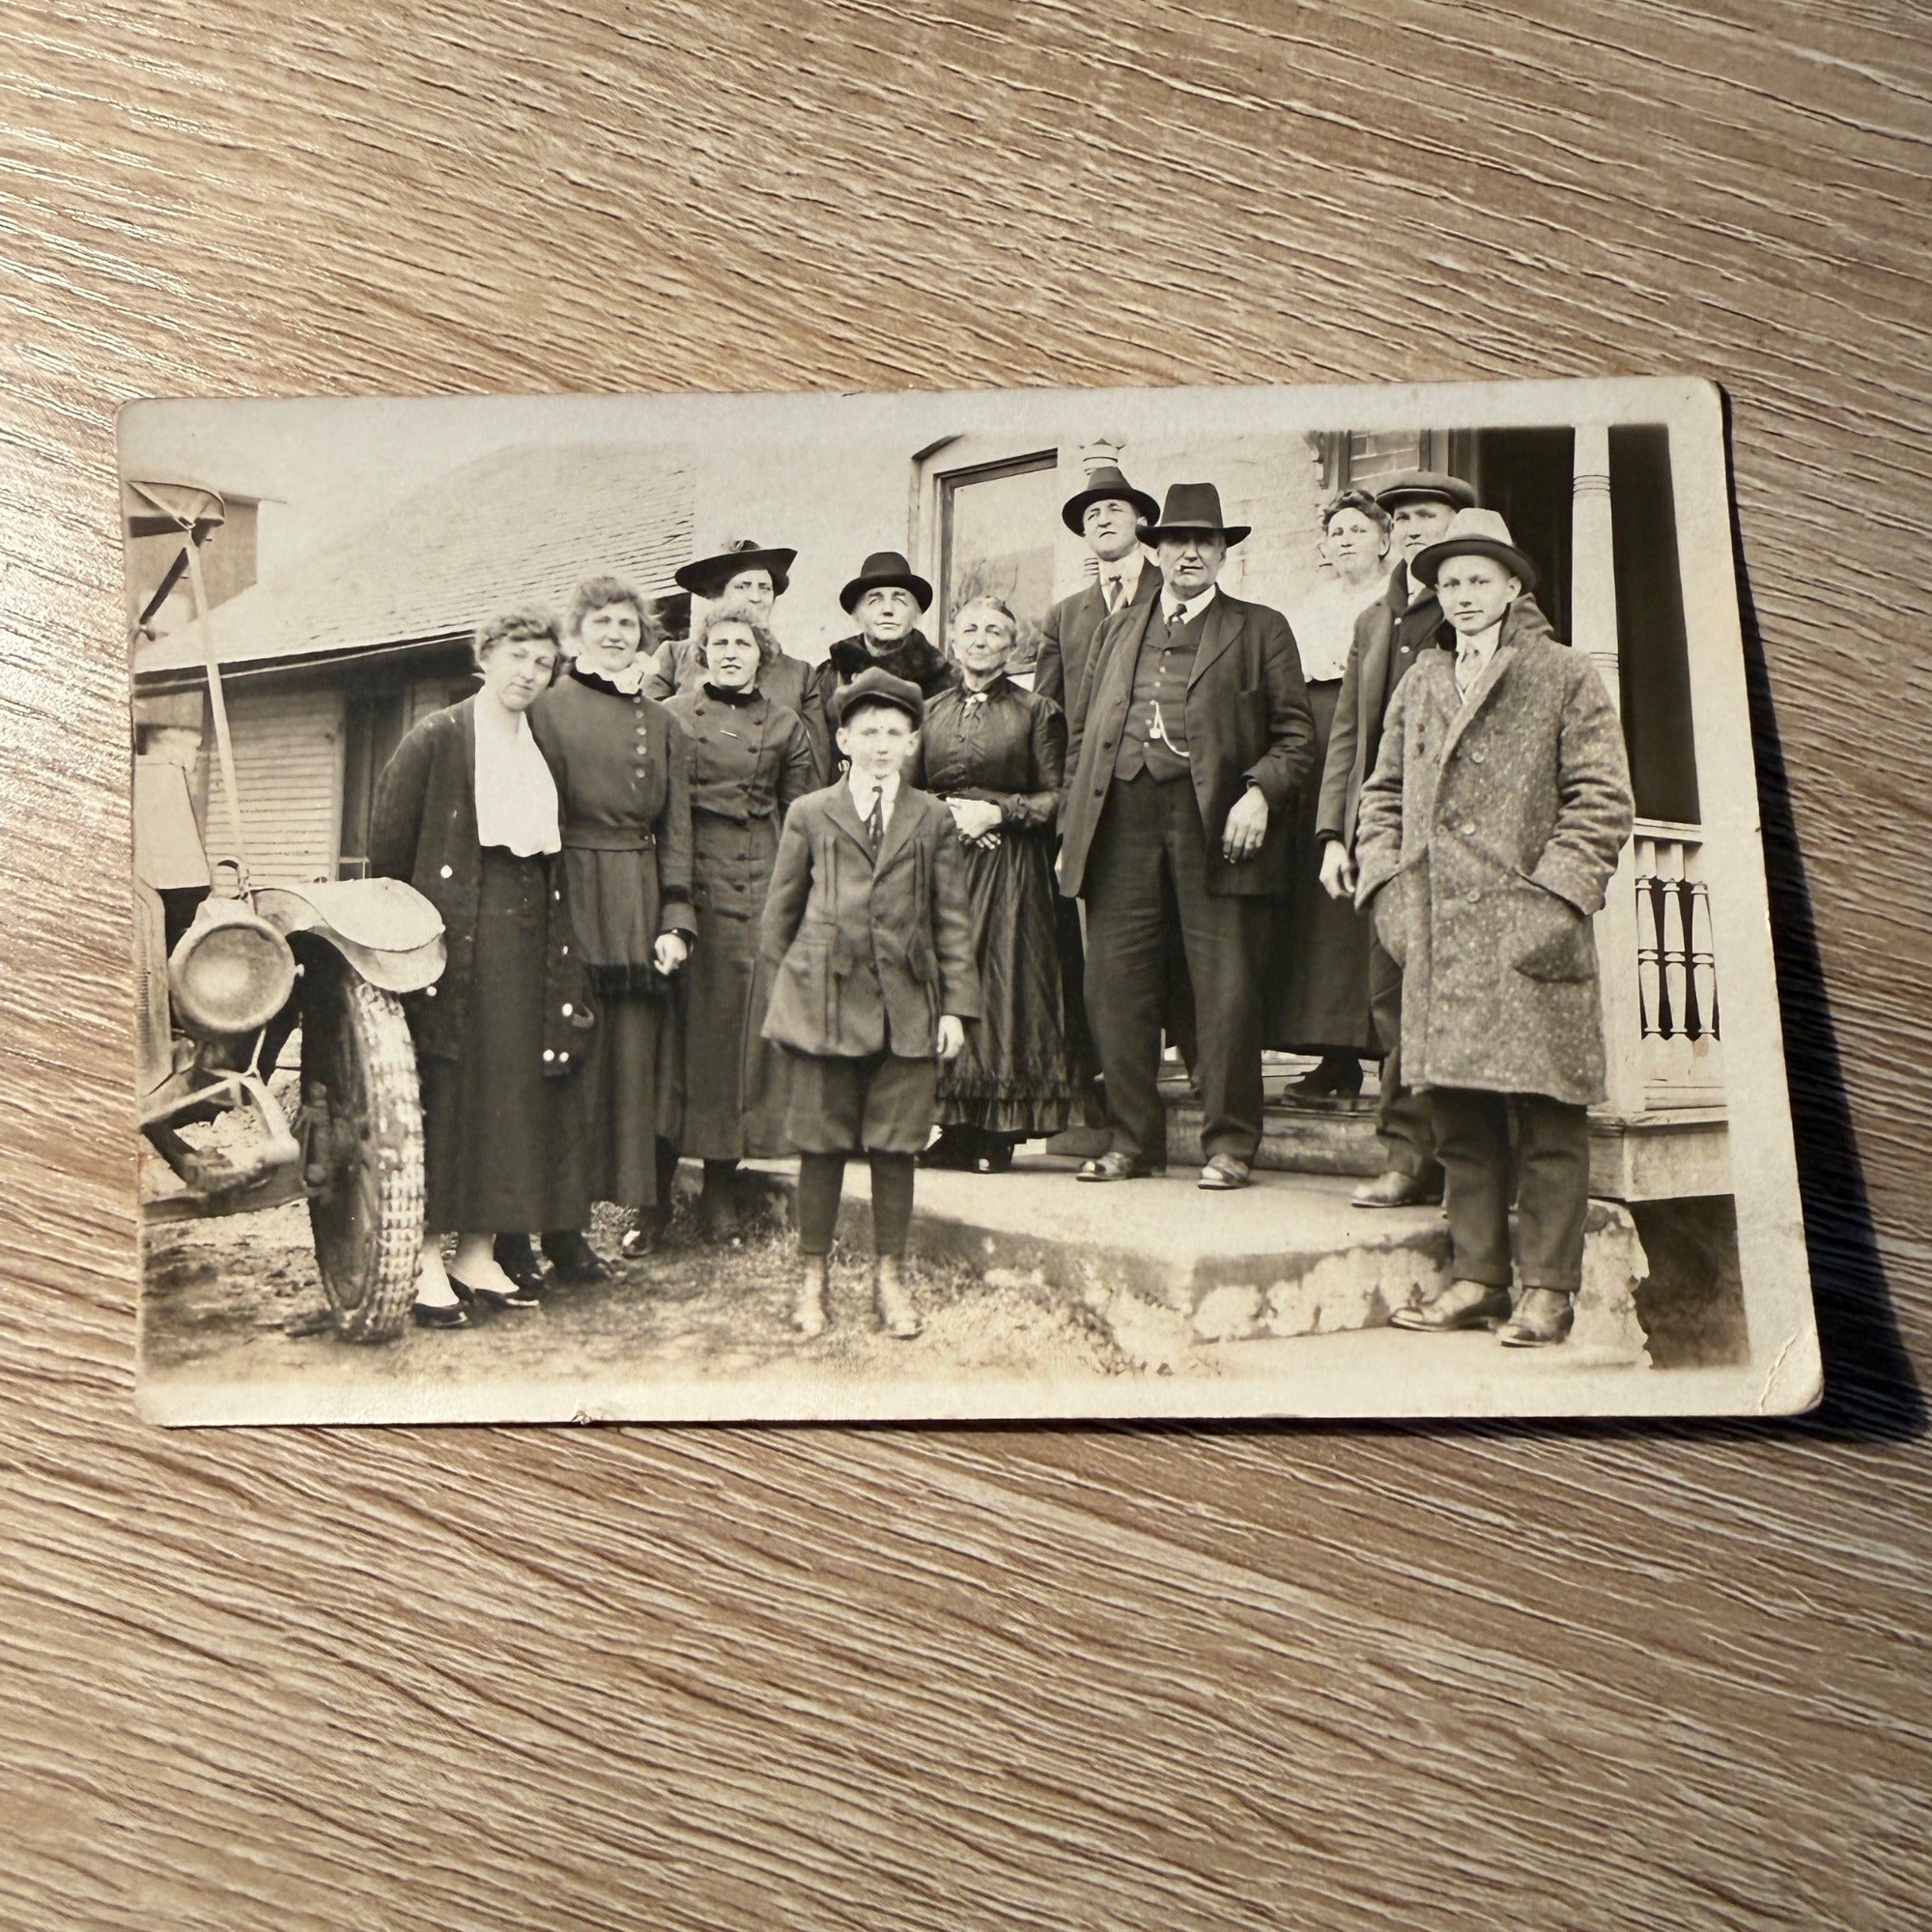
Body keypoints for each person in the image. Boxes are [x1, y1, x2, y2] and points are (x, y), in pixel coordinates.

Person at [1354, 510, 1633, 1348]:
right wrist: (1386, 888)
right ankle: (1478, 1278)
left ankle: (1547, 1291)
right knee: (1458, 1118)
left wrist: (1554, 902)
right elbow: (1381, 795)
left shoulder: (1563, 674)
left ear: (1515, 586)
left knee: (1549, 1117)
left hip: (1528, 929)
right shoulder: (1423, 682)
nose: (1463, 597)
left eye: (1479, 580)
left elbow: (1601, 799)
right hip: (1437, 930)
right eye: (1448, 584)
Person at [1060, 482, 1316, 1191]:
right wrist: (1072, 822)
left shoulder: (1261, 627)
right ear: (1157, 549)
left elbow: (1297, 737)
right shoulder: (1117, 628)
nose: (1191, 553)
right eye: (1177, 541)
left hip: (1217, 827)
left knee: (1226, 988)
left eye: (1206, 541)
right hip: (1122, 824)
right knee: (1116, 985)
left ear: (1224, 552)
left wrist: (1259, 792)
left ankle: (1231, 1144)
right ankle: (1130, 1140)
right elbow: (1083, 737)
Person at [367, 609, 594, 1328]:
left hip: (529, 931)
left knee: (514, 1087)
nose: (529, 673)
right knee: (453, 1087)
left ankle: (479, 1249)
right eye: (518, 658)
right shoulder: (438, 735)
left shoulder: (541, 749)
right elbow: (389, 849)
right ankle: (425, 1257)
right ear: (487, 657)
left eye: (543, 664)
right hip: (457, 930)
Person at [760, 668, 980, 1341]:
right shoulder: (810, 812)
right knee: (821, 1144)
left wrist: (954, 1009)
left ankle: (890, 1277)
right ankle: (812, 1278)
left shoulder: (933, 816)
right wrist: (794, 995)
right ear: (843, 739)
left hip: (906, 1004)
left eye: (894, 732)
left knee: (895, 1145)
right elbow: (780, 916)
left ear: (914, 741)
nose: (880, 744)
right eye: (867, 732)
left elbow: (951, 918)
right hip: (824, 1003)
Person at [526, 575, 696, 1274]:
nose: (617, 634)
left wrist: (676, 919)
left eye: (629, 625)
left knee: (632, 1064)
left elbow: (676, 830)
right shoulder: (545, 709)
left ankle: (631, 1209)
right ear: (576, 634)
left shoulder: (664, 724)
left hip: (636, 901)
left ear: (644, 638)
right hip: (565, 890)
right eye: (603, 622)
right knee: (567, 1065)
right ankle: (551, 1231)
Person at [1316, 469, 1476, 1208]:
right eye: (1404, 518)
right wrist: (1334, 835)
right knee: (1389, 999)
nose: (1414, 529)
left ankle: (1464, 1162)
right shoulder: (1376, 621)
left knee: (1455, 999)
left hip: (1465, 839)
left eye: (1429, 517)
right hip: (1385, 836)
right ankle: (1406, 1156)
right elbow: (1347, 734)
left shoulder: (1478, 612)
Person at [662, 598, 820, 1238]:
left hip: (756, 880)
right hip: (682, 871)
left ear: (763, 655)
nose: (731, 653)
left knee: (735, 1037)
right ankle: (651, 1199)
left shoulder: (786, 726)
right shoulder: (670, 717)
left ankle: (721, 1188)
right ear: (703, 651)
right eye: (720, 642)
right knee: (673, 1036)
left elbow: (805, 818)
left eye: (744, 644)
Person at [917, 596, 1072, 1171]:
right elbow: (906, 789)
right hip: (944, 865)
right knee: (947, 983)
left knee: (1001, 988)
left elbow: (1059, 797)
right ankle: (953, 1126)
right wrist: (950, 817)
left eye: (995, 632)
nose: (981, 640)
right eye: (970, 630)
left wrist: (998, 815)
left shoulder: (1037, 711)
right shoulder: (927, 710)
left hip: (1011, 870)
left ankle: (998, 1133)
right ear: (953, 640)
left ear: (1013, 647)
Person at [1033, 464, 1163, 1140]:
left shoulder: (1172, 589)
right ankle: (1113, 1079)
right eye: (1091, 516)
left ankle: (1188, 1060)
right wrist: (1064, 806)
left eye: (1115, 509)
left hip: (1159, 793)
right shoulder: (1066, 615)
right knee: (1107, 947)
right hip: (1092, 798)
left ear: (1141, 520)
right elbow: (1053, 717)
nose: (1104, 521)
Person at [1264, 489, 1395, 1096]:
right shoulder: (1309, 609)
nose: (1345, 541)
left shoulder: (1397, 603)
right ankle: (1332, 1056)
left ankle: (1387, 1053)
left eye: (1357, 531)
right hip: (1317, 751)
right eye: (1336, 532)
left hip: (1374, 747)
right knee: (1318, 908)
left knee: (1368, 898)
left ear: (1384, 540)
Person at [648, 537, 827, 777]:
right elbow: (646, 741)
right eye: (742, 586)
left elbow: (815, 767)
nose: (756, 597)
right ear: (717, 597)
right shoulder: (672, 657)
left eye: (765, 588)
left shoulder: (801, 675)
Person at [814, 551, 956, 763]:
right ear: (858, 614)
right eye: (875, 600)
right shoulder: (830, 675)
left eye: (900, 600)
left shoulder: (944, 680)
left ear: (915, 613)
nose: (888, 610)